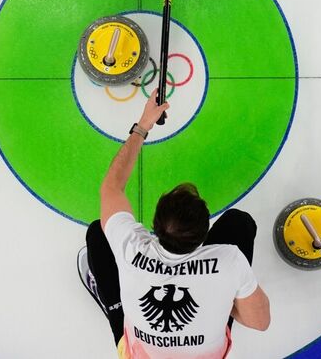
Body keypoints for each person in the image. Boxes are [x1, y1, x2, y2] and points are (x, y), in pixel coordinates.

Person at [78, 89, 270, 358]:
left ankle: (112, 304)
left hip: (140, 353)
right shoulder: (229, 261)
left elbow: (111, 187)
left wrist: (143, 125)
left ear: (154, 228)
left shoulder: (131, 248)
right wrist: (222, 296)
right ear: (204, 234)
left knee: (99, 235)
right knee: (240, 223)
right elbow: (259, 322)